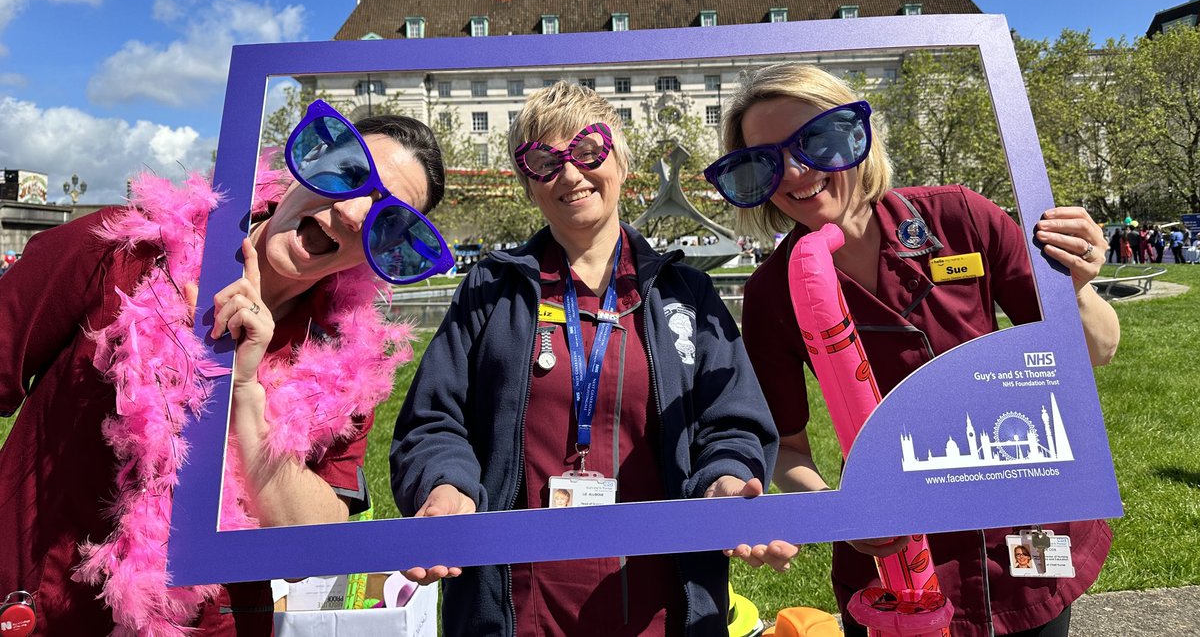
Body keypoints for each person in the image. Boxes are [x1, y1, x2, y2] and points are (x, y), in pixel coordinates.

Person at [0, 101, 451, 635]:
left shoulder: (349, 363)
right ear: (306, 164)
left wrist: (245, 392)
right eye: (350, 174)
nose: (354, 214)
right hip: (38, 608)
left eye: (388, 220)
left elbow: (312, 541)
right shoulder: (125, 251)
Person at [704, 63, 1120, 637]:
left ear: (858, 137)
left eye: (817, 141)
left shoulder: (962, 218)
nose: (797, 172)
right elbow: (787, 449)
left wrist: (1076, 283)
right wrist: (845, 513)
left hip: (1019, 518)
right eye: (766, 160)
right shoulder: (773, 290)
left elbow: (1098, 349)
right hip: (896, 555)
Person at [391, 81, 779, 637]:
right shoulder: (492, 289)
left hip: (659, 601)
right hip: (518, 602)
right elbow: (434, 420)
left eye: (588, 151)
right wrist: (445, 485)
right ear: (528, 184)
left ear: (620, 160)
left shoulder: (684, 292)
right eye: (544, 162)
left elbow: (732, 420)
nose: (570, 175)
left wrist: (725, 478)